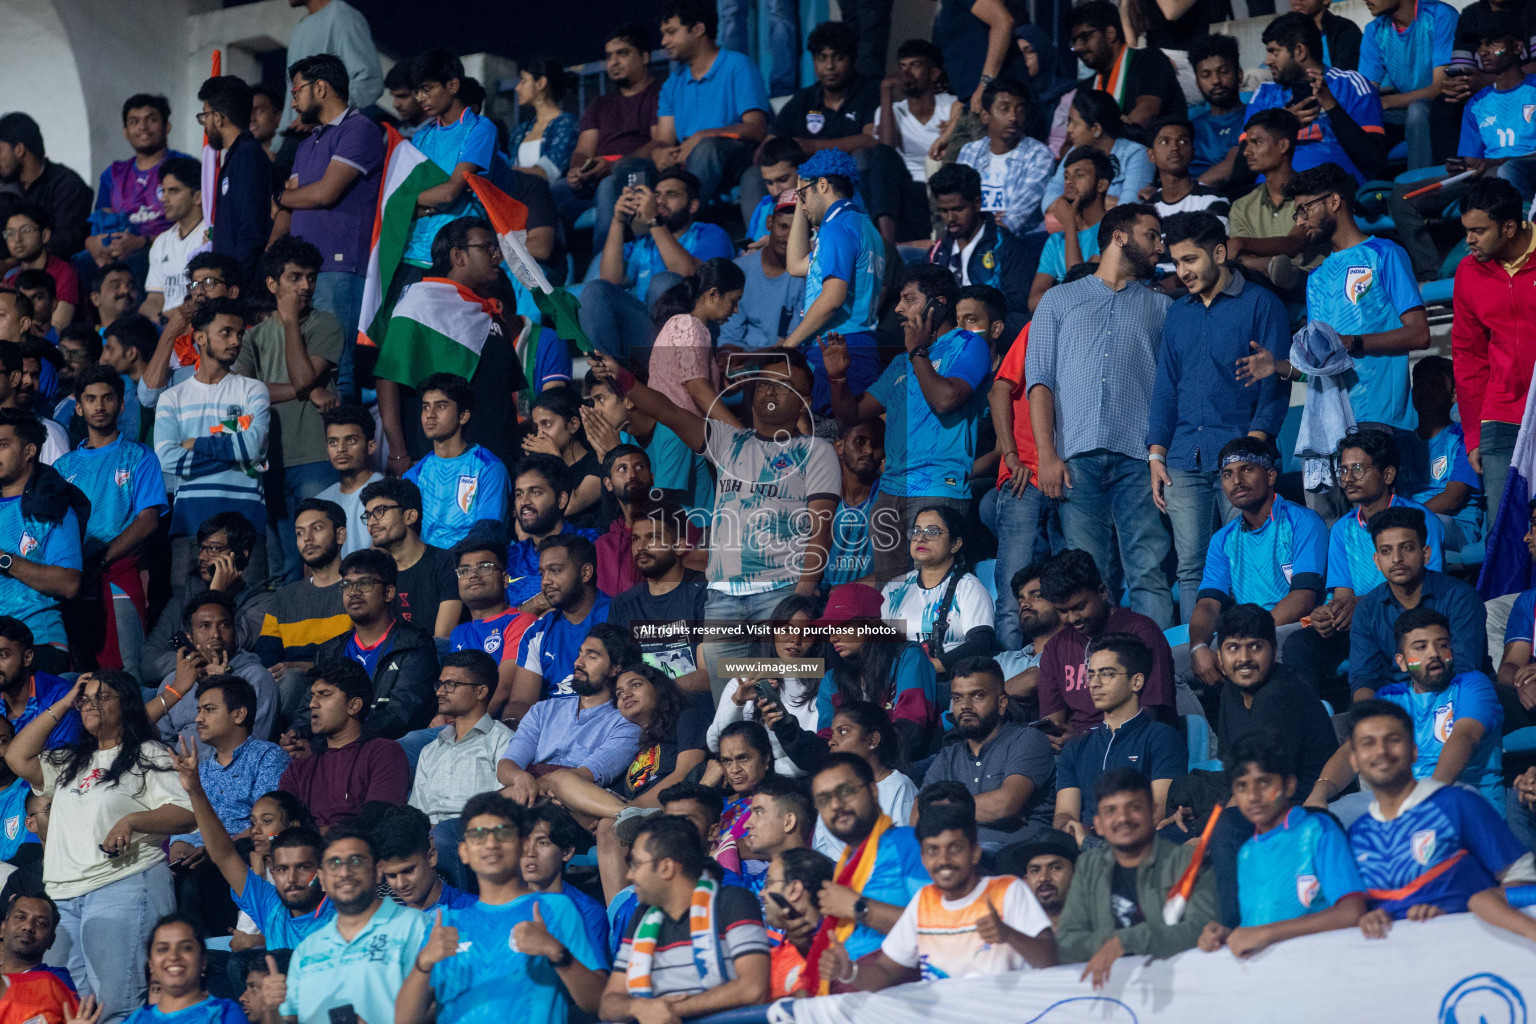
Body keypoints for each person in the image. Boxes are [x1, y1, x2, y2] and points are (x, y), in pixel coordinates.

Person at [588, 349, 837, 697]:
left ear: (804, 402)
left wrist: (802, 597)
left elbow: (821, 530)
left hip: (780, 594)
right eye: (765, 382)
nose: (769, 390)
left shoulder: (816, 451)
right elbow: (669, 412)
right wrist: (623, 377)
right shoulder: (728, 441)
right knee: (731, 704)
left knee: (783, 699)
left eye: (783, 385)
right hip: (722, 600)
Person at [6, 672, 193, 1024]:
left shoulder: (147, 753)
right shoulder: (67, 761)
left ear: (127, 705)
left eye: (103, 697)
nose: (91, 704)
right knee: (63, 1006)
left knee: (115, 1006)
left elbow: (185, 814)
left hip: (124, 884)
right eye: (86, 698)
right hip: (62, 895)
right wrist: (64, 702)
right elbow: (17, 756)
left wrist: (132, 820)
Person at [1027, 205, 1174, 626]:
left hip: (1138, 458)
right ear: (1120, 237)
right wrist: (1047, 456)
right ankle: (1099, 670)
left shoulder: (1160, 308)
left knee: (1147, 570)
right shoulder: (1057, 299)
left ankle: (1158, 665)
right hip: (1075, 460)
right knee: (1087, 576)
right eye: (1152, 235)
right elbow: (1040, 384)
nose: (1160, 247)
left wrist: (1157, 456)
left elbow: (1169, 389)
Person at [1149, 217, 1291, 624]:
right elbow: (1165, 389)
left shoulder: (1262, 303)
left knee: (1246, 558)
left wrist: (1252, 450)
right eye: (1176, 263)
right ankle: (1199, 655)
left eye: (1190, 259)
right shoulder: (1177, 314)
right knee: (1191, 567)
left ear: (1219, 253)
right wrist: (1155, 455)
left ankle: (1246, 644)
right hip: (1182, 459)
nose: (1183, 272)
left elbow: (1274, 388)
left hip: (1242, 456)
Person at [827, 263, 989, 585]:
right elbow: (852, 414)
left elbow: (945, 399)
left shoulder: (969, 346)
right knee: (892, 597)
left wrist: (916, 351)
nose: (899, 309)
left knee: (933, 589)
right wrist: (837, 377)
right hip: (889, 494)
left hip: (938, 489)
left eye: (909, 299)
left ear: (937, 304)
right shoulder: (901, 362)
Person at [392, 795, 606, 1024]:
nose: (491, 844)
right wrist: (423, 964)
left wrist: (557, 953)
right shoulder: (445, 924)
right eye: (478, 835)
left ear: (521, 845)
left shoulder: (555, 908)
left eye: (502, 833)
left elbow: (600, 1003)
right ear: (463, 851)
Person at [1340, 701, 1536, 940]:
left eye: (1392, 739)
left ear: (1413, 750)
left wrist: (1458, 918)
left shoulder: (1457, 804)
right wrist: (1368, 918)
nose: (1381, 751)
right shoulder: (1357, 834)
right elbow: (1362, 910)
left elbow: (1523, 880)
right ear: (1354, 761)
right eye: (1368, 743)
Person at [818, 802, 1055, 990]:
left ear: (975, 853)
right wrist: (849, 971)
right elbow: (887, 972)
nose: (943, 860)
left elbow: (1050, 960)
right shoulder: (924, 901)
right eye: (933, 850)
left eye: (954, 848)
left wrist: (1008, 934)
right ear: (923, 859)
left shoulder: (1008, 890)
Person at [1282, 431, 1446, 702]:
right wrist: (1330, 614)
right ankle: (1313, 727)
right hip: (1360, 625)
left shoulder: (1419, 520)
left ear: (1388, 474)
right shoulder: (1342, 529)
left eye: (1358, 469)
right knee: (1300, 644)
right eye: (1343, 470)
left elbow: (1431, 589)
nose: (1347, 478)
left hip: (1408, 618)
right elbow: (1344, 597)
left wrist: (1366, 603)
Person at [1313, 609, 1505, 817]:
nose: (1434, 653)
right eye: (1420, 647)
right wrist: (1319, 793)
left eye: (1442, 645)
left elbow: (1465, 736)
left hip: (1466, 803)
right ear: (1402, 661)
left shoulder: (1472, 685)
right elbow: (1352, 750)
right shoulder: (1390, 698)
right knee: (1323, 823)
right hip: (1400, 804)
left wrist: (1425, 800)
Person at [1197, 731, 1367, 959]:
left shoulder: (1317, 829)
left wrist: (1266, 933)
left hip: (1323, 968)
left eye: (1264, 783)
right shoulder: (1247, 853)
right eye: (1242, 787)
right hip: (1273, 979)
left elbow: (1352, 912)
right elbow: (1257, 927)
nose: (1253, 796)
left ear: (1289, 785)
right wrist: (1227, 935)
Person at [274, 54, 384, 400]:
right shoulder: (307, 143)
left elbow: (324, 192)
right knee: (305, 366)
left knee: (339, 367)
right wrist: (272, 254)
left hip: (339, 269)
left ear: (320, 87)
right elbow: (289, 203)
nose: (292, 102)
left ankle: (346, 444)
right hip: (301, 271)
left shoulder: (360, 129)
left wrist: (279, 195)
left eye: (296, 91)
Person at [1183, 437, 1328, 692]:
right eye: (1227, 474)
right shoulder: (1222, 539)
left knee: (1277, 649)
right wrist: (1199, 647)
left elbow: (1303, 598)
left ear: (1270, 476)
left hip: (1300, 625)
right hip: (1246, 634)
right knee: (1167, 664)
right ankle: (1211, 733)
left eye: (1247, 470)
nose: (1236, 481)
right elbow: (1207, 604)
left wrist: (1248, 639)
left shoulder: (1303, 521)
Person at [235, 237, 341, 583]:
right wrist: (307, 393)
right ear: (272, 284)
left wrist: (291, 321)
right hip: (271, 459)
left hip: (315, 456)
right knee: (284, 567)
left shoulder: (325, 325)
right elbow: (242, 393)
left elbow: (302, 377)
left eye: (311, 277)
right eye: (295, 277)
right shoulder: (253, 337)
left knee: (326, 556)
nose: (306, 286)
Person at [172, 728, 334, 954]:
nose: (292, 878)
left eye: (304, 867)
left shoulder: (338, 911)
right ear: (273, 871)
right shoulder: (271, 904)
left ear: (323, 871)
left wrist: (259, 943)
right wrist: (196, 791)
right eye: (282, 869)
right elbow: (225, 855)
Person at [757, 22, 920, 245]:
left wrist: (811, 146)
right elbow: (770, 144)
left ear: (853, 60)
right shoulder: (804, 99)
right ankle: (760, 239)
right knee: (755, 175)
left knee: (862, 155)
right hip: (808, 185)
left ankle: (865, 235)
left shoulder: (869, 91)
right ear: (813, 61)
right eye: (822, 58)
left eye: (838, 57)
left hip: (852, 180)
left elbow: (871, 140)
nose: (830, 66)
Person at [598, 814, 769, 1020]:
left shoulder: (732, 902)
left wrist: (670, 1011)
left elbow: (753, 989)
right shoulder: (643, 915)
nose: (629, 876)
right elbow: (608, 1005)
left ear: (666, 867)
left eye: (635, 864)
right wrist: (639, 1008)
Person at [1055, 769, 1217, 985]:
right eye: (1110, 811)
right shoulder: (1088, 866)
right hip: (1110, 992)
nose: (1123, 818)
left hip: (1181, 987)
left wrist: (1127, 940)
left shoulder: (1186, 862)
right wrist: (1112, 942)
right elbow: (1067, 942)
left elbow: (1204, 927)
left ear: (1153, 812)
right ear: (1099, 824)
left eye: (1134, 807)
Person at [53, 364, 166, 672]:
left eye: (107, 398)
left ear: (121, 403)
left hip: (117, 572)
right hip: (74, 578)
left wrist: (101, 558)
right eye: (90, 399)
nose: (99, 406)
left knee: (125, 671)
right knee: (79, 673)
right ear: (78, 407)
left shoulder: (140, 456)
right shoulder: (62, 467)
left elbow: (148, 521)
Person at [256, 828, 429, 1024]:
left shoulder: (417, 927)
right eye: (334, 864)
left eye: (356, 861)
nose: (345, 872)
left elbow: (444, 1006)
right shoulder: (306, 951)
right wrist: (271, 1009)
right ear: (322, 878)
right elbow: (289, 1020)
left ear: (378, 871)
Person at [152, 298, 269, 579]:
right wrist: (236, 458)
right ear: (200, 338)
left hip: (246, 521)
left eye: (239, 334)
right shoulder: (171, 397)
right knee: (189, 613)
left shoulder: (254, 390)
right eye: (226, 332)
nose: (235, 341)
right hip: (190, 520)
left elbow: (254, 446)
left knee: (248, 613)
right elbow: (166, 457)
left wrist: (198, 444)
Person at [162, 671, 285, 931]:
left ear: (239, 714)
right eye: (198, 710)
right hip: (195, 859)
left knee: (201, 879)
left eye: (209, 710)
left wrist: (216, 848)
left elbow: (267, 824)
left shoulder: (267, 756)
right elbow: (184, 822)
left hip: (239, 856)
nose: (198, 718)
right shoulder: (201, 769)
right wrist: (180, 849)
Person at [583, 168, 734, 363]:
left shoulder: (709, 233)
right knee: (595, 290)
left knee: (666, 282)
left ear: (693, 205)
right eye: (657, 195)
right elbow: (611, 279)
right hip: (648, 335)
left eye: (671, 195)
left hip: (692, 335)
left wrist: (654, 220)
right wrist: (618, 220)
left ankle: (674, 373)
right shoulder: (645, 241)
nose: (660, 200)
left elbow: (689, 273)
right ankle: (613, 379)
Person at [802, 753, 930, 982]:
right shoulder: (844, 867)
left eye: (846, 791)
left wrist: (859, 908)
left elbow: (939, 925)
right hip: (848, 989)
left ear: (873, 791)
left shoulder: (910, 843)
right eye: (823, 799)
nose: (835, 805)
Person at [779, 150, 886, 416]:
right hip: (860, 348)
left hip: (836, 349)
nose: (801, 205)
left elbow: (832, 298)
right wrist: (802, 202)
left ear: (823, 185)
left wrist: (790, 345)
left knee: (833, 436)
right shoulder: (863, 226)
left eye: (802, 195)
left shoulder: (837, 228)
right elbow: (795, 265)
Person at [1452, 177, 1536, 516]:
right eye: (1466, 230)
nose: (1469, 240)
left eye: (1479, 231)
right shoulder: (1468, 272)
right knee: (1502, 529)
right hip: (1501, 415)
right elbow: (1468, 358)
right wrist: (1473, 434)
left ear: (1510, 227)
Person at [1053, 635, 1183, 846]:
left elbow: (1158, 810)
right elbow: (1064, 813)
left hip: (1136, 845)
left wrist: (1094, 833)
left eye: (1106, 674)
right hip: (1080, 848)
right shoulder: (1076, 747)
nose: (1094, 684)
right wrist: (1071, 829)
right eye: (1091, 675)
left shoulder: (1162, 737)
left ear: (1136, 681)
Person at [1036, 550, 1179, 738]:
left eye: (1080, 607)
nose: (1072, 618)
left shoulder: (1141, 632)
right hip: (1072, 754)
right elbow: (1053, 721)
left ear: (1102, 592)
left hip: (1134, 745)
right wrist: (1057, 738)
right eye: (1063, 611)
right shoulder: (1055, 647)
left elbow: (1147, 715)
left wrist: (1083, 740)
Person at [1348, 507, 1486, 701]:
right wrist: (1373, 717)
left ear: (1426, 554)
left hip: (1458, 701)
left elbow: (1465, 670)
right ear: (1377, 561)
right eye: (1386, 551)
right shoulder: (1367, 609)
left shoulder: (1460, 597)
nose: (1397, 559)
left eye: (1407, 548)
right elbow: (1363, 678)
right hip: (1395, 709)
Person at [497, 622, 642, 803]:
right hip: (527, 793)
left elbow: (589, 773)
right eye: (580, 653)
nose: (578, 662)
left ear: (615, 668)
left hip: (577, 802)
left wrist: (538, 786)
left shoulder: (626, 722)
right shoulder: (543, 710)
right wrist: (520, 778)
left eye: (592, 656)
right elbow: (507, 764)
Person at [1211, 604, 1338, 805]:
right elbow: (1233, 774)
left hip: (1298, 807)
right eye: (1233, 648)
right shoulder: (1230, 691)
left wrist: (1207, 833)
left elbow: (1261, 784)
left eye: (1255, 647)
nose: (1244, 659)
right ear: (1219, 656)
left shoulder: (1278, 695)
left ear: (1274, 650)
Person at [307, 549, 439, 741]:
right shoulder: (329, 650)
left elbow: (403, 714)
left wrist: (348, 735)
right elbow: (308, 708)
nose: (353, 592)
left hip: (385, 746)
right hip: (334, 746)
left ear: (389, 592)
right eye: (347, 585)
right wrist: (299, 734)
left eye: (365, 583)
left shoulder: (414, 646)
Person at [1238, 14, 1386, 186]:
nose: (1267, 61)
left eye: (1274, 52)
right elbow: (1240, 172)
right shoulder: (1264, 94)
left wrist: (1331, 106)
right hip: (1275, 200)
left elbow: (1375, 162)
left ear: (1300, 51)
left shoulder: (1350, 85)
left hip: (1335, 195)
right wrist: (1283, 124)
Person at [396, 52, 500, 291]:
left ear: (452, 85)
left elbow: (450, 192)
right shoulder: (422, 136)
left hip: (452, 256)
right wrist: (421, 202)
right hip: (412, 251)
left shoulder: (480, 128)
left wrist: (410, 203)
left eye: (427, 89)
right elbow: (402, 192)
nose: (421, 98)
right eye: (417, 91)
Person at [648, 0, 770, 204]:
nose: (664, 41)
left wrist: (702, 136)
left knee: (707, 149)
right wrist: (659, 151)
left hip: (734, 157)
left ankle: (679, 224)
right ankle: (646, 231)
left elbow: (756, 129)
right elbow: (664, 138)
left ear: (698, 29)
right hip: (689, 161)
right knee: (633, 168)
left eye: (671, 32)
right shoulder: (672, 83)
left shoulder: (737, 66)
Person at [925, 658, 1054, 848]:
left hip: (1018, 855)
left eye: (977, 696)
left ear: (1002, 704)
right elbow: (917, 816)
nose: (965, 706)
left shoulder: (1027, 740)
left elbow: (1005, 805)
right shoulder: (948, 756)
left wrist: (940, 808)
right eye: (957, 698)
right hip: (960, 855)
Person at [558, 26, 663, 244]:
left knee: (610, 184)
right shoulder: (599, 104)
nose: (613, 62)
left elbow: (659, 142)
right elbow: (583, 150)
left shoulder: (659, 94)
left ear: (644, 57)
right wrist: (577, 170)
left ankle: (604, 268)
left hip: (637, 173)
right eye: (609, 56)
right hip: (596, 175)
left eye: (622, 53)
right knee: (546, 195)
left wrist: (614, 165)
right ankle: (548, 269)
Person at [276, 661, 410, 826]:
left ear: (354, 706)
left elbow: (379, 819)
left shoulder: (384, 753)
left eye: (324, 694)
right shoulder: (300, 766)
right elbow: (281, 823)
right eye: (312, 695)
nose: (312, 704)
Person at [813, 584, 941, 754]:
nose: (833, 637)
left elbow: (911, 729)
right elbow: (826, 740)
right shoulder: (831, 678)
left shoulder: (908, 657)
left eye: (841, 627)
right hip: (852, 769)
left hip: (910, 765)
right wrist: (787, 729)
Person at [0, 410, 82, 675]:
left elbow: (69, 583)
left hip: (37, 643)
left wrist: (5, 560)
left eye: (2, 445)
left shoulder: (52, 509)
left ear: (29, 451)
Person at [710, 594, 824, 778]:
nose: (796, 639)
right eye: (787, 629)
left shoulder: (822, 685)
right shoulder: (744, 679)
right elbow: (715, 744)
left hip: (790, 780)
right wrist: (737, 703)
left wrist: (763, 772)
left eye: (807, 633)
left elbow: (809, 758)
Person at [149, 592, 279, 751]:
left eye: (224, 625)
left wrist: (222, 688)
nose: (216, 634)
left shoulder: (256, 678)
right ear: (190, 638)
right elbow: (160, 745)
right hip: (178, 770)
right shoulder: (173, 682)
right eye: (205, 626)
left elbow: (251, 749)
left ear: (235, 633)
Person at [255, 499, 348, 713]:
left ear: (340, 535)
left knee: (292, 678)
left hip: (338, 686)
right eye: (299, 533)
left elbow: (364, 654)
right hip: (286, 686)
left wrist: (308, 668)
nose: (307, 538)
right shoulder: (284, 597)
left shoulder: (356, 590)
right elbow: (266, 655)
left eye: (317, 528)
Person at [880, 505, 995, 677]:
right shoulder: (894, 588)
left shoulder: (968, 587)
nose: (921, 538)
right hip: (897, 681)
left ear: (955, 544)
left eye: (932, 532)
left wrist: (928, 668)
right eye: (917, 531)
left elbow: (982, 643)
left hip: (945, 683)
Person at [400, 373, 509, 550]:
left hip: (471, 565)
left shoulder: (489, 467)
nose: (430, 415)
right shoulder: (414, 475)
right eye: (426, 407)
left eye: (441, 406)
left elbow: (487, 531)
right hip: (428, 566)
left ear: (463, 416)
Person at [85, 95, 192, 275]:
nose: (143, 127)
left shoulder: (185, 166)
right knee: (81, 265)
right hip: (121, 250)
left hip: (169, 250)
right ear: (125, 131)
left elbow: (195, 223)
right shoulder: (113, 174)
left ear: (167, 126)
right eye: (134, 121)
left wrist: (142, 242)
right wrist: (92, 243)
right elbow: (101, 222)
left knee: (136, 263)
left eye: (151, 119)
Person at [1225, 107, 1329, 293]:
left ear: (1282, 145)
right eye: (1247, 144)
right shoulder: (1242, 206)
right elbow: (1238, 258)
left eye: (1256, 143)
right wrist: (1262, 263)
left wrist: (1242, 242)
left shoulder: (1313, 193)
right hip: (1261, 285)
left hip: (1314, 284)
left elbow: (1294, 243)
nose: (1247, 152)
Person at [640, 258, 743, 442]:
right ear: (713, 294)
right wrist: (742, 434)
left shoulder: (693, 327)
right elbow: (698, 390)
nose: (735, 310)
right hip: (677, 436)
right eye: (733, 301)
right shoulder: (687, 325)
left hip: (686, 433)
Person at [607, 504, 709, 688]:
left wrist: (655, 693)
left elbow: (708, 675)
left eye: (652, 537)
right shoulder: (623, 604)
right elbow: (617, 674)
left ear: (679, 546)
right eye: (635, 539)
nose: (641, 547)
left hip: (693, 708)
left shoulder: (704, 592)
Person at [925, 164, 1033, 323]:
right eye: (944, 211)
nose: (950, 218)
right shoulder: (937, 251)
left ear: (977, 203)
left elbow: (1018, 302)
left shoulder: (1006, 247)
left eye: (958, 209)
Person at [1358, 0, 1457, 171]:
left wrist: (1386, 102)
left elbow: (1441, 87)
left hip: (1443, 108)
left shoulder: (1440, 16)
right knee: (1358, 117)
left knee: (1417, 111)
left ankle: (1419, 188)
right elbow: (1366, 93)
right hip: (1400, 111)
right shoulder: (1374, 30)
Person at [359, 478, 461, 639]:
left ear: (410, 516)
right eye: (368, 515)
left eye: (380, 512)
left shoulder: (446, 562)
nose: (371, 523)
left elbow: (442, 640)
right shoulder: (376, 574)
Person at [953, 77, 1052, 239]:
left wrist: (977, 222)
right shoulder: (970, 151)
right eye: (1004, 109)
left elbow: (1016, 216)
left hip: (1019, 242)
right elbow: (958, 203)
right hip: (972, 237)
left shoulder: (1039, 155)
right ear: (985, 116)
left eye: (1019, 109)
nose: (1013, 117)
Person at [197, 77, 272, 289]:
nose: (205, 125)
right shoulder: (238, 156)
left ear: (219, 118)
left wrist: (233, 284)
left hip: (242, 287)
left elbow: (251, 230)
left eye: (205, 116)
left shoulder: (248, 157)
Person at [1038, 91, 1154, 223]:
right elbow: (1048, 201)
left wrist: (1073, 202)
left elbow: (1128, 212)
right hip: (1069, 228)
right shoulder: (1075, 151)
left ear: (1096, 129)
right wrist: (1101, 202)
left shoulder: (1136, 155)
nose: (1069, 129)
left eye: (1074, 123)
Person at [1068, 1, 1186, 124]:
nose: (1077, 47)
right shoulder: (1086, 88)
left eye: (1084, 37)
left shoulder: (1150, 61)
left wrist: (1112, 140)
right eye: (1074, 41)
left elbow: (1147, 111)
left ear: (1110, 34)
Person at [719, 193, 807, 353]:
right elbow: (728, 337)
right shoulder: (740, 270)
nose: (788, 238)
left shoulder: (805, 276)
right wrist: (733, 361)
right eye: (783, 227)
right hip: (741, 362)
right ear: (770, 223)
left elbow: (792, 343)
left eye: (796, 230)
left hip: (783, 362)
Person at [521, 802, 612, 955]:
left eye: (542, 843)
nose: (530, 852)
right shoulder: (501, 903)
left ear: (567, 852)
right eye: (523, 843)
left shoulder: (588, 912)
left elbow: (593, 978)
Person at [122, 914, 245, 1024]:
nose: (173, 956)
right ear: (151, 965)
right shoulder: (135, 1020)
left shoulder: (225, 1014)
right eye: (163, 949)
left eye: (186, 948)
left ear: (203, 960)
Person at [279, 0, 382, 129]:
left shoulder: (343, 16)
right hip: (296, 135)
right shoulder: (300, 26)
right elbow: (291, 95)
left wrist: (323, 113)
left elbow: (369, 82)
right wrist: (277, 143)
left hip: (329, 132)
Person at [0, 115, 92, 260]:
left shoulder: (66, 184)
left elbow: (67, 241)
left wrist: (12, 262)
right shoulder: (7, 189)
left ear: (19, 150)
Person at [872, 40, 961, 188]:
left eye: (915, 65)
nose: (906, 73)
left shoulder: (951, 105)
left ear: (934, 73)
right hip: (906, 188)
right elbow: (886, 152)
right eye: (902, 66)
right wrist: (886, 90)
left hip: (946, 187)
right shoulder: (888, 110)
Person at [137, 157, 208, 323]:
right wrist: (163, 321)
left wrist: (169, 320)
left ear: (197, 197)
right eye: (164, 191)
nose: (164, 198)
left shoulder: (210, 236)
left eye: (174, 191)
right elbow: (154, 299)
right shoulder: (161, 242)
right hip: (166, 328)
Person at [762, 846, 834, 998]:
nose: (762, 893)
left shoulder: (838, 949)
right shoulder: (770, 957)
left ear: (794, 890)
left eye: (769, 883)